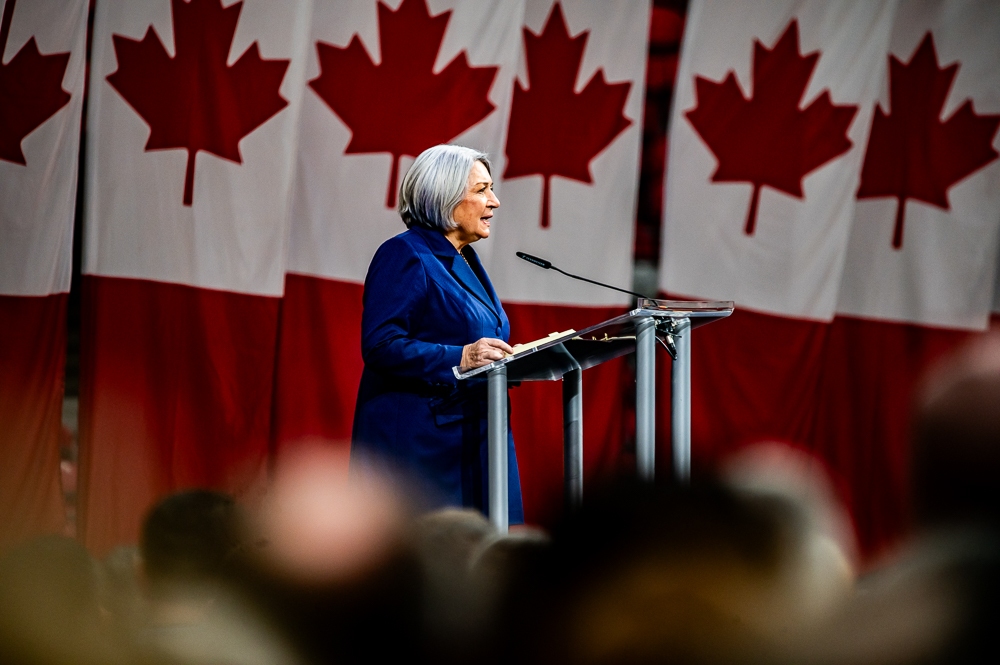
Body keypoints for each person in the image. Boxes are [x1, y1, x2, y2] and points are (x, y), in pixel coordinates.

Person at [351, 144, 524, 524]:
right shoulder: (405, 254)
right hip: (423, 452)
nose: (494, 202)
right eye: (481, 190)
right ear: (443, 195)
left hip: (474, 438)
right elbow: (381, 345)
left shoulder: (465, 258)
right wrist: (460, 357)